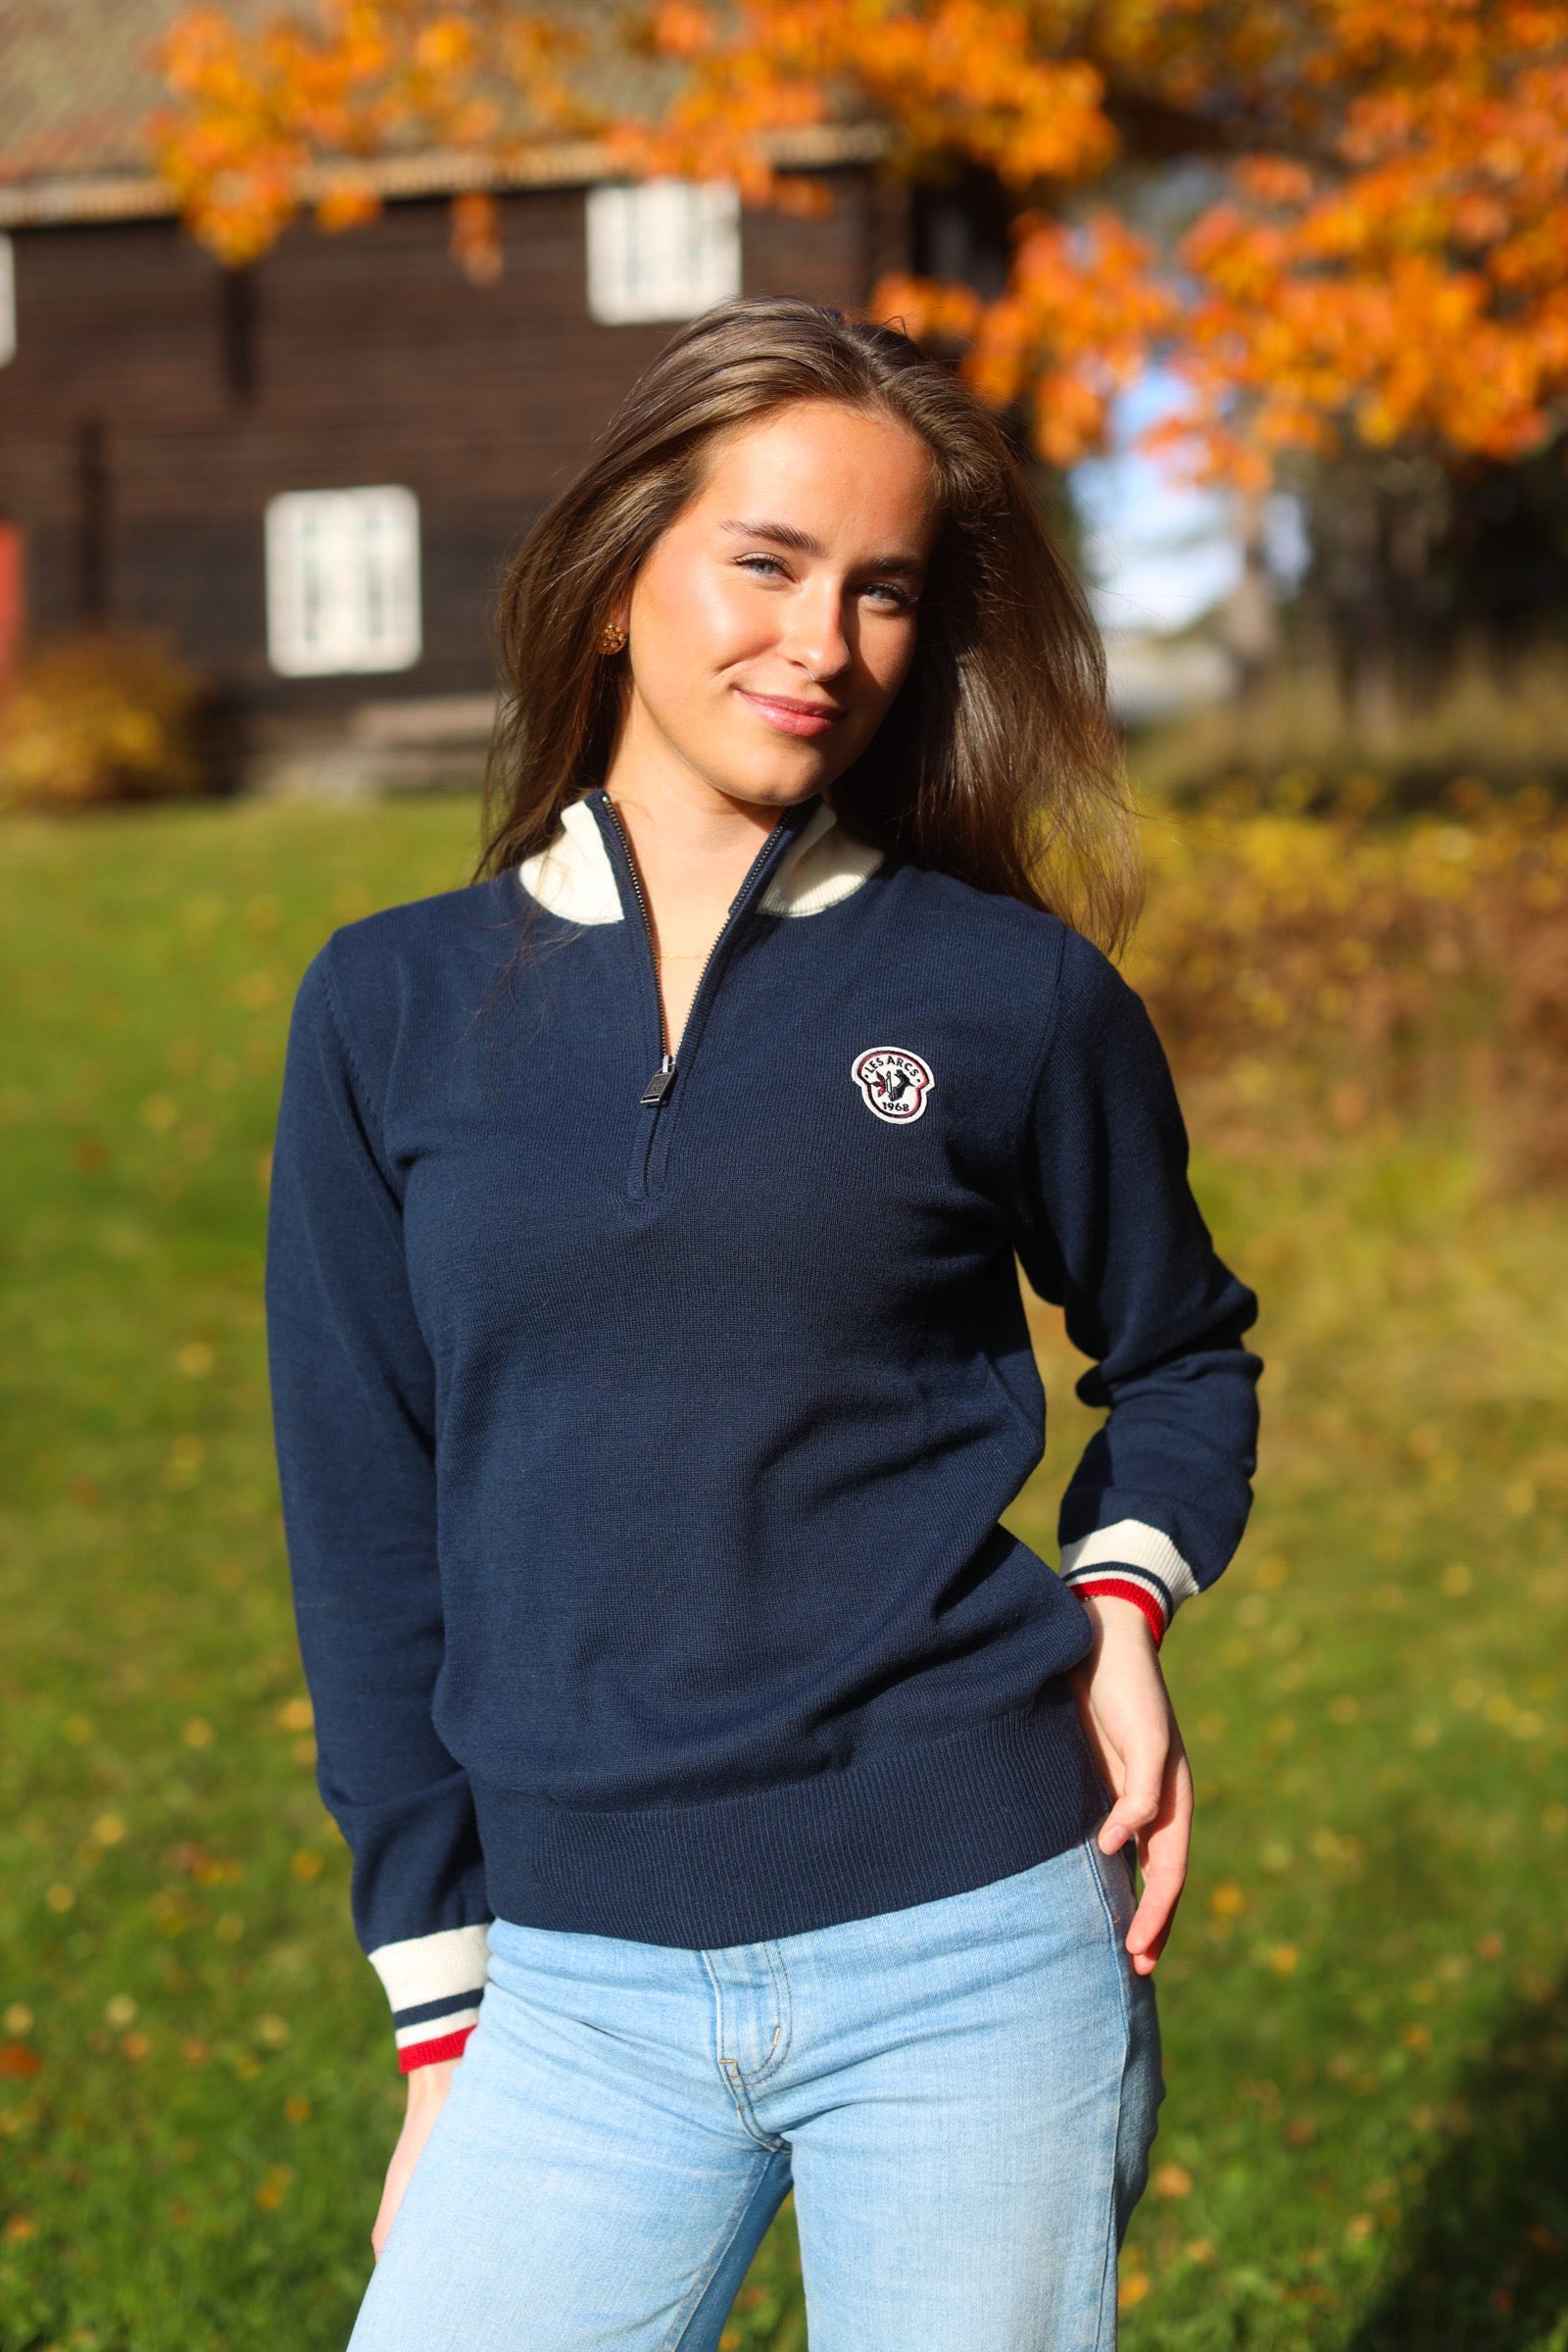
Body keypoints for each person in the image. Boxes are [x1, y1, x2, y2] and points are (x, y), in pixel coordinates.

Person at [264, 292, 1263, 2352]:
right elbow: (365, 1527)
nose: (824, 643)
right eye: (769, 562)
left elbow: (1178, 1356)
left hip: (978, 1935)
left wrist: (1121, 1606)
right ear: (616, 574)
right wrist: (441, 2023)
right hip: (569, 1996)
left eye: (882, 591)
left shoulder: (1009, 997)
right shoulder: (387, 1007)